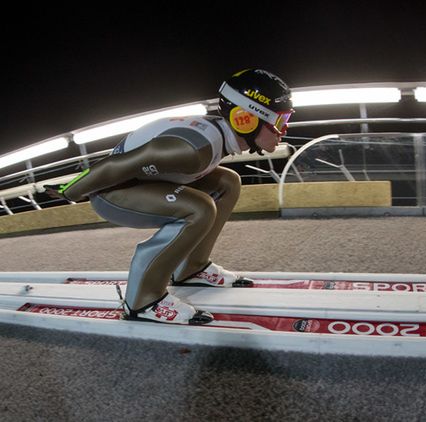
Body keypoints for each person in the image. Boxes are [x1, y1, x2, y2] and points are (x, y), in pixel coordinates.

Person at [44, 69, 294, 325]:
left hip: (141, 181)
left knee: (228, 182)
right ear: (245, 119)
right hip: (110, 192)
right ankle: (142, 300)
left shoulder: (217, 136)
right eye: (279, 121)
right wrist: (70, 191)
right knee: (199, 209)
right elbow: (114, 166)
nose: (283, 129)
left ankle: (191, 269)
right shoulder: (194, 151)